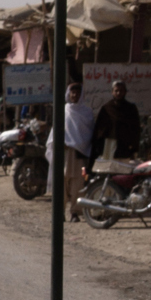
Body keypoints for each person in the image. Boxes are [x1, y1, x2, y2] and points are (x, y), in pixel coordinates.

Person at [48, 82, 95, 221]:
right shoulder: (63, 110)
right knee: (60, 184)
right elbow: (55, 132)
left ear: (81, 95)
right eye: (72, 92)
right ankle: (59, 212)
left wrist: (79, 144)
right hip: (63, 154)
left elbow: (88, 134)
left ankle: (75, 212)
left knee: (79, 184)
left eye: (77, 92)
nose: (74, 95)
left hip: (80, 156)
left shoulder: (87, 113)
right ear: (69, 94)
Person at [91, 80, 143, 159]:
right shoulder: (107, 108)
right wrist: (98, 147)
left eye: (121, 91)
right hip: (109, 147)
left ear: (125, 92)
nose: (118, 93)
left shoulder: (131, 108)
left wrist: (134, 148)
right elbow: (99, 129)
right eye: (116, 91)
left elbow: (135, 130)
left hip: (125, 147)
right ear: (112, 92)